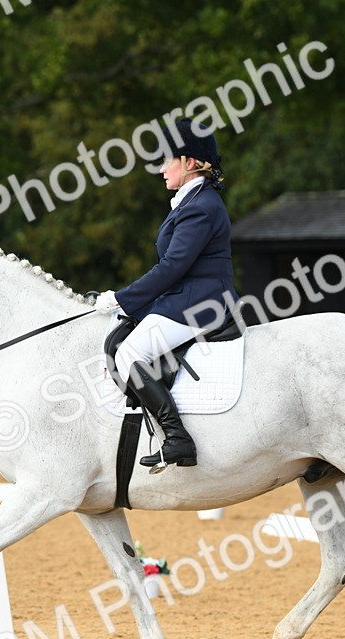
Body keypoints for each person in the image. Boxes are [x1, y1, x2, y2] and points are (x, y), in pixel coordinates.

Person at [93, 118, 240, 470]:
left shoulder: (201, 207)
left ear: (189, 162)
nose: (161, 169)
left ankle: (177, 438)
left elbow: (172, 266)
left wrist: (122, 298)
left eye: (166, 160)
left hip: (203, 303)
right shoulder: (192, 202)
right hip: (187, 297)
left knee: (130, 353)